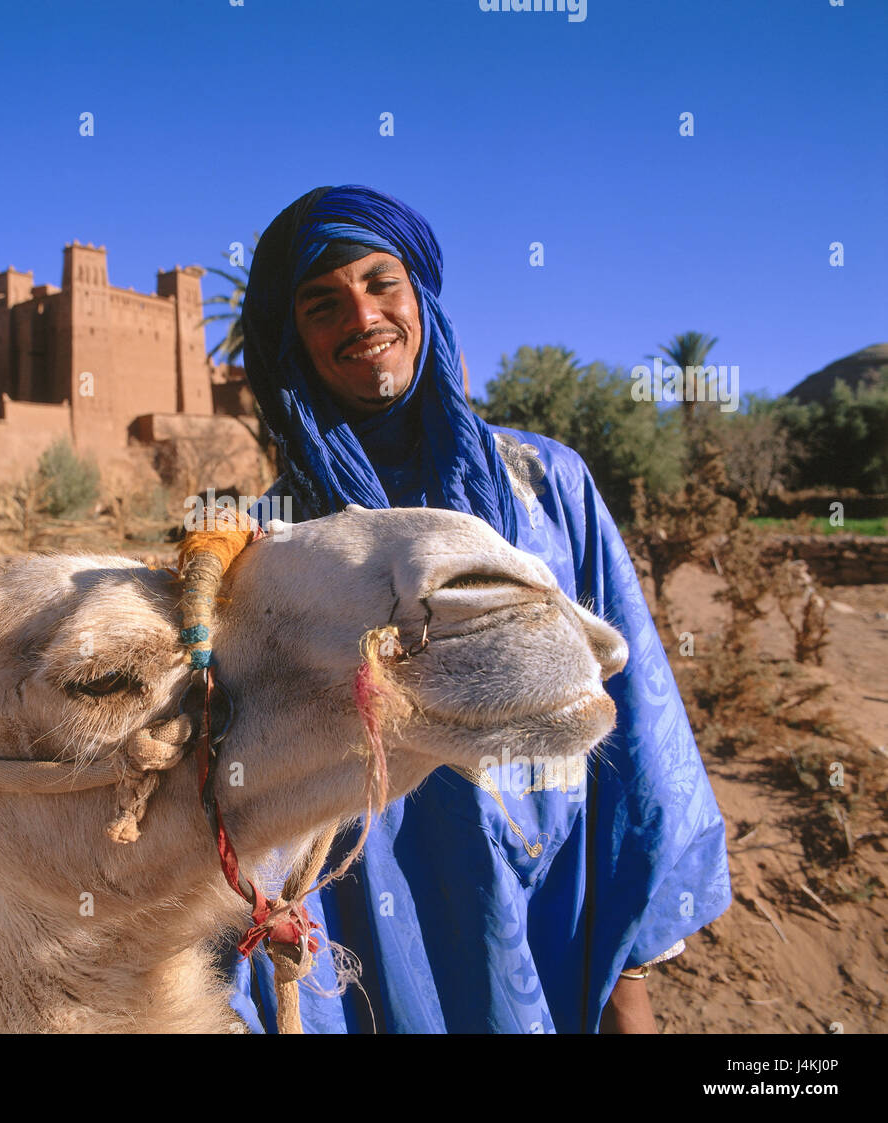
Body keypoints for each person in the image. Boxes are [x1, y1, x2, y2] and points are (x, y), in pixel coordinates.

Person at [227, 184, 731, 1033]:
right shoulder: (278, 543)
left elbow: (636, 710)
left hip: (552, 875)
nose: (362, 315)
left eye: (380, 282)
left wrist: (627, 960)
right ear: (294, 342)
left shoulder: (546, 484)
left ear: (420, 293)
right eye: (322, 303)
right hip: (378, 898)